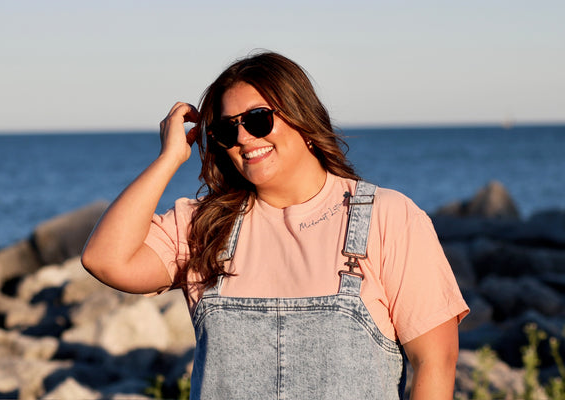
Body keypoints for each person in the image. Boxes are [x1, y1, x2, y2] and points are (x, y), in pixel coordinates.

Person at [82, 51, 469, 399]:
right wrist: (169, 158)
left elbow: (435, 363)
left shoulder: (388, 217)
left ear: (301, 115)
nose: (244, 138)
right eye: (226, 130)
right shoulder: (204, 226)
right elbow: (105, 260)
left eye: (257, 119)